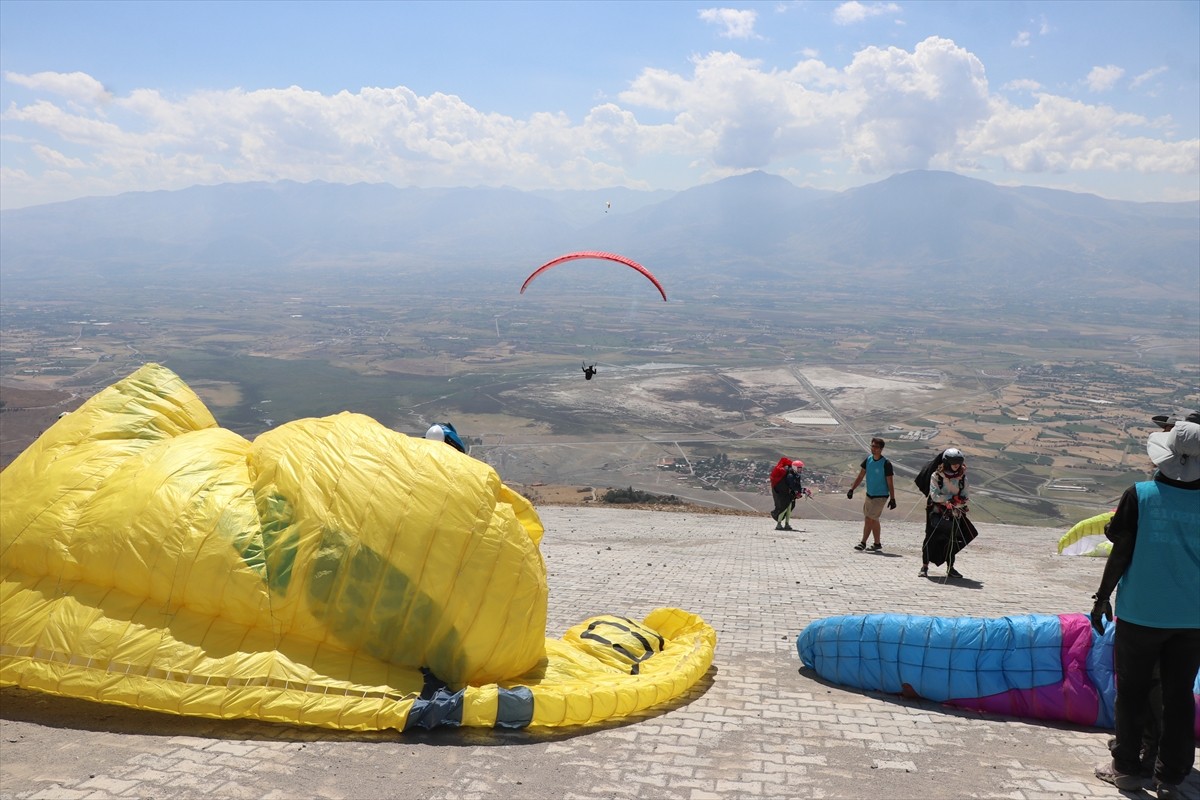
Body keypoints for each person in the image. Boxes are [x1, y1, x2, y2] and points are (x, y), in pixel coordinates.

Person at [1091, 419, 1200, 799]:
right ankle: (1170, 778)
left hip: (1141, 613)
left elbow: (1121, 551)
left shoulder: (1140, 494)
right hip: (1193, 618)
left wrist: (1102, 597)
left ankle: (1126, 770)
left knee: (1133, 692)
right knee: (1179, 695)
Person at [919, 447, 974, 578]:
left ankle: (951, 568)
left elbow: (965, 496)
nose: (956, 465)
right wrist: (949, 500)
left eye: (958, 462)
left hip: (955, 514)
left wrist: (957, 502)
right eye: (953, 462)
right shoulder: (937, 476)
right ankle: (924, 566)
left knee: (952, 541)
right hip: (936, 513)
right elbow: (934, 495)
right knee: (930, 539)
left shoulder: (962, 478)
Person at [846, 437, 897, 552]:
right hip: (870, 494)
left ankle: (863, 542)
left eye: (876, 447)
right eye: (872, 446)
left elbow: (890, 482)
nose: (873, 449)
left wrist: (893, 498)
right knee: (873, 519)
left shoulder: (886, 464)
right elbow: (860, 476)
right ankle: (877, 543)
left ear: (881, 449)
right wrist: (852, 489)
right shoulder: (868, 460)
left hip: (881, 496)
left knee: (870, 518)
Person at [769, 457, 808, 531]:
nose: (800, 469)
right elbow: (792, 486)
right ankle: (779, 524)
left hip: (790, 495)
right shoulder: (790, 476)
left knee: (789, 509)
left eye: (801, 468)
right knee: (783, 509)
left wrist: (800, 491)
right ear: (795, 467)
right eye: (799, 468)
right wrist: (802, 490)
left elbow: (797, 485)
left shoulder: (796, 475)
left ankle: (787, 524)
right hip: (784, 495)